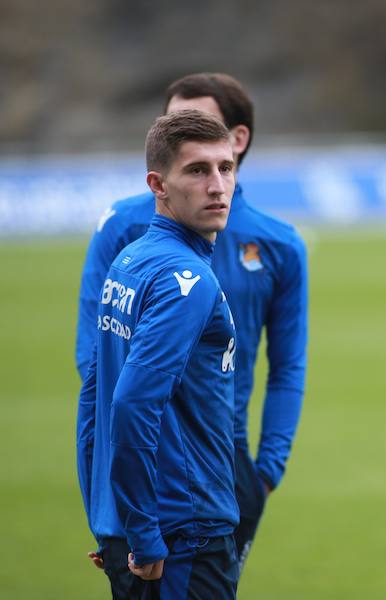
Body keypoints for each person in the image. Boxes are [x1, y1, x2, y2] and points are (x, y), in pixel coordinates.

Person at [75, 73, 309, 576]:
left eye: (200, 123)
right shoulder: (125, 229)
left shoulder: (279, 243)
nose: (181, 132)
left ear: (236, 140)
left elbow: (288, 365)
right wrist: (111, 492)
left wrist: (266, 471)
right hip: (151, 461)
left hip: (225, 460)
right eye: (172, 123)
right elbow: (97, 362)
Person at [77, 109, 241, 598]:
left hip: (136, 527)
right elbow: (129, 403)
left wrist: (107, 517)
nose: (217, 186)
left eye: (226, 168)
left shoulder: (129, 260)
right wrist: (144, 536)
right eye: (197, 170)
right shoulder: (185, 280)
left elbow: (93, 397)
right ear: (158, 184)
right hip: (181, 533)